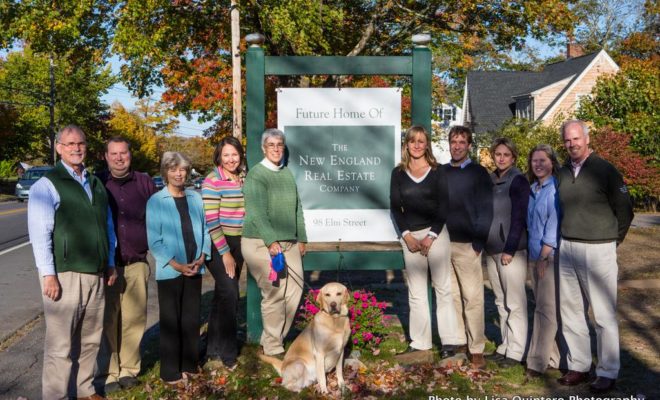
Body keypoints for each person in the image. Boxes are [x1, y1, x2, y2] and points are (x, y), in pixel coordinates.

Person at [28, 125, 117, 400]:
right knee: (60, 344)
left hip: (96, 273)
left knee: (91, 339)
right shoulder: (47, 185)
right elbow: (40, 233)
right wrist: (48, 274)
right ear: (58, 148)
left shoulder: (95, 182)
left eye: (81, 143)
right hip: (65, 275)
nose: (76, 148)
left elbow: (108, 226)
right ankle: (56, 395)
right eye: (69, 144)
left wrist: (110, 261)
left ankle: (85, 389)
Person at [556, 120, 633, 392]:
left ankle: (608, 370)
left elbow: (625, 209)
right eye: (567, 140)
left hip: (599, 247)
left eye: (576, 138)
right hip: (567, 248)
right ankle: (579, 365)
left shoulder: (605, 170)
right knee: (571, 311)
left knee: (603, 314)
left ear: (587, 139)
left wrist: (614, 240)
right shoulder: (562, 171)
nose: (572, 144)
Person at [390, 126, 460, 357]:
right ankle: (420, 342)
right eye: (412, 141)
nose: (417, 145)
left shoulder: (438, 171)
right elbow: (395, 207)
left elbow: (445, 205)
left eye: (421, 141)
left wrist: (431, 236)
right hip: (410, 237)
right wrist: (407, 236)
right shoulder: (398, 173)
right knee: (417, 292)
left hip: (436, 235)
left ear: (427, 144)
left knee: (442, 288)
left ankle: (448, 343)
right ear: (406, 144)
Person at [95, 137, 157, 393]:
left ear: (130, 155)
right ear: (106, 156)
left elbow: (159, 215)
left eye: (124, 153)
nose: (119, 158)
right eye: (114, 154)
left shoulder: (144, 182)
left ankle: (129, 369)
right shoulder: (97, 182)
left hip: (136, 261)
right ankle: (110, 372)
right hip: (105, 265)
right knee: (108, 320)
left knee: (133, 318)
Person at [146, 151, 211, 384]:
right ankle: (170, 370)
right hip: (170, 270)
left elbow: (204, 230)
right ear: (166, 173)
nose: (178, 174)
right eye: (173, 169)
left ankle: (190, 365)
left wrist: (203, 255)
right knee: (172, 320)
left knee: (191, 318)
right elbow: (154, 240)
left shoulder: (195, 198)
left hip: (195, 266)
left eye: (182, 169)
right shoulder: (156, 201)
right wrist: (177, 264)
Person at [241, 128, 307, 357]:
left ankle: (271, 338)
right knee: (275, 293)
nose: (276, 149)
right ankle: (272, 347)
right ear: (263, 148)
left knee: (295, 292)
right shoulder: (257, 175)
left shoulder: (287, 173)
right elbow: (257, 213)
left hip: (289, 243)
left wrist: (302, 238)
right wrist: (270, 241)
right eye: (271, 145)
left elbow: (297, 208)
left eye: (280, 144)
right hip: (260, 242)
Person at [443, 125, 493, 369]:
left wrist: (479, 241)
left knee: (472, 297)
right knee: (452, 296)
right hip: (443, 244)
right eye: (454, 141)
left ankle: (476, 347)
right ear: (449, 143)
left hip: (468, 246)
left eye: (462, 142)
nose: (457, 145)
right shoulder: (441, 172)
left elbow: (486, 209)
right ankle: (459, 341)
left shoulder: (478, 173)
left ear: (469, 145)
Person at [484, 138, 530, 367]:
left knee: (515, 302)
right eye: (498, 154)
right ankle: (505, 344)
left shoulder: (518, 180)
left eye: (506, 155)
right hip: (491, 249)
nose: (501, 158)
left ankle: (517, 350)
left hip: (511, 251)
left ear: (513, 157)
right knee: (501, 301)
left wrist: (510, 248)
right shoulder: (491, 179)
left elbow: (520, 217)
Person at [202, 136, 246, 370]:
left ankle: (212, 349)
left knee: (222, 295)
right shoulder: (212, 181)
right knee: (230, 292)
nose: (231, 159)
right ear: (219, 156)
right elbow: (212, 221)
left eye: (235, 154)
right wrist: (225, 253)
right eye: (226, 155)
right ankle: (229, 353)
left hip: (240, 240)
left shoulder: (243, 178)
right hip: (219, 242)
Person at [525, 144, 562, 380]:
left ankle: (537, 362)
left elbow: (554, 223)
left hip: (546, 257)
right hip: (533, 253)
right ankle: (554, 358)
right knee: (543, 306)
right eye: (534, 161)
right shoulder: (533, 189)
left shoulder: (555, 189)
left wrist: (544, 256)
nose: (538, 164)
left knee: (545, 310)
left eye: (543, 160)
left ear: (552, 162)